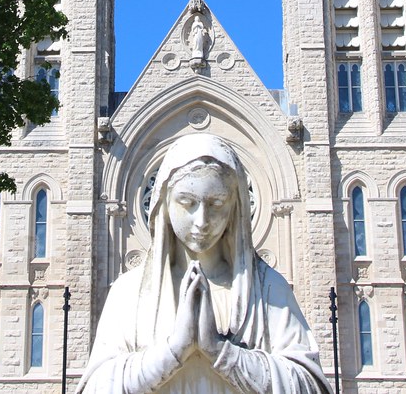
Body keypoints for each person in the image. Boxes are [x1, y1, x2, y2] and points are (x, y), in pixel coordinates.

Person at [77, 134, 332, 394]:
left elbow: (308, 384)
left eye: (216, 204)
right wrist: (173, 351)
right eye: (187, 202)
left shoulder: (268, 290)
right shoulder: (129, 292)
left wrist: (221, 352)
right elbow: (96, 386)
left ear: (236, 205)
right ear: (163, 200)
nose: (202, 220)